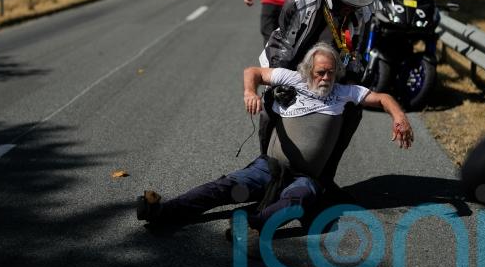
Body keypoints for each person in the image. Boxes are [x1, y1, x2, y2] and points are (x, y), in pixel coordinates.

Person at [136, 43, 413, 253]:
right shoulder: (293, 79)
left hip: (304, 178)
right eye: (320, 72)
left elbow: (382, 98)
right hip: (268, 169)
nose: (326, 78)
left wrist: (399, 116)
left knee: (297, 202)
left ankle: (250, 226)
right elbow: (253, 72)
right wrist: (250, 91)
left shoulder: (343, 93)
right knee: (224, 188)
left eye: (331, 72)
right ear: (309, 71)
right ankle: (161, 211)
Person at [257, 0, 378, 188]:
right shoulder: (300, 0)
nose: (348, 11)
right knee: (271, 104)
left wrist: (353, 81)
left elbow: (357, 53)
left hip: (331, 67)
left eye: (354, 8)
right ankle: (264, 167)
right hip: (291, 60)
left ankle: (325, 177)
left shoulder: (363, 10)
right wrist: (281, 82)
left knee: (353, 112)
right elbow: (283, 46)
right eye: (345, 5)